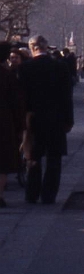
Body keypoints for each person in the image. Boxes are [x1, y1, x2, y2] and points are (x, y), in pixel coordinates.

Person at [20, 35, 74, 204]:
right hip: (56, 118)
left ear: (32, 48)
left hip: (33, 119)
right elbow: (67, 96)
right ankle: (49, 195)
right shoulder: (60, 67)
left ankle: (32, 194)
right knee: (54, 159)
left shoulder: (25, 68)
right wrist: (68, 120)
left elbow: (22, 97)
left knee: (33, 159)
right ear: (46, 47)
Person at [0, 42, 25, 208]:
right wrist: (20, 127)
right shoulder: (7, 75)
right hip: (4, 123)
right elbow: (17, 103)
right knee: (2, 163)